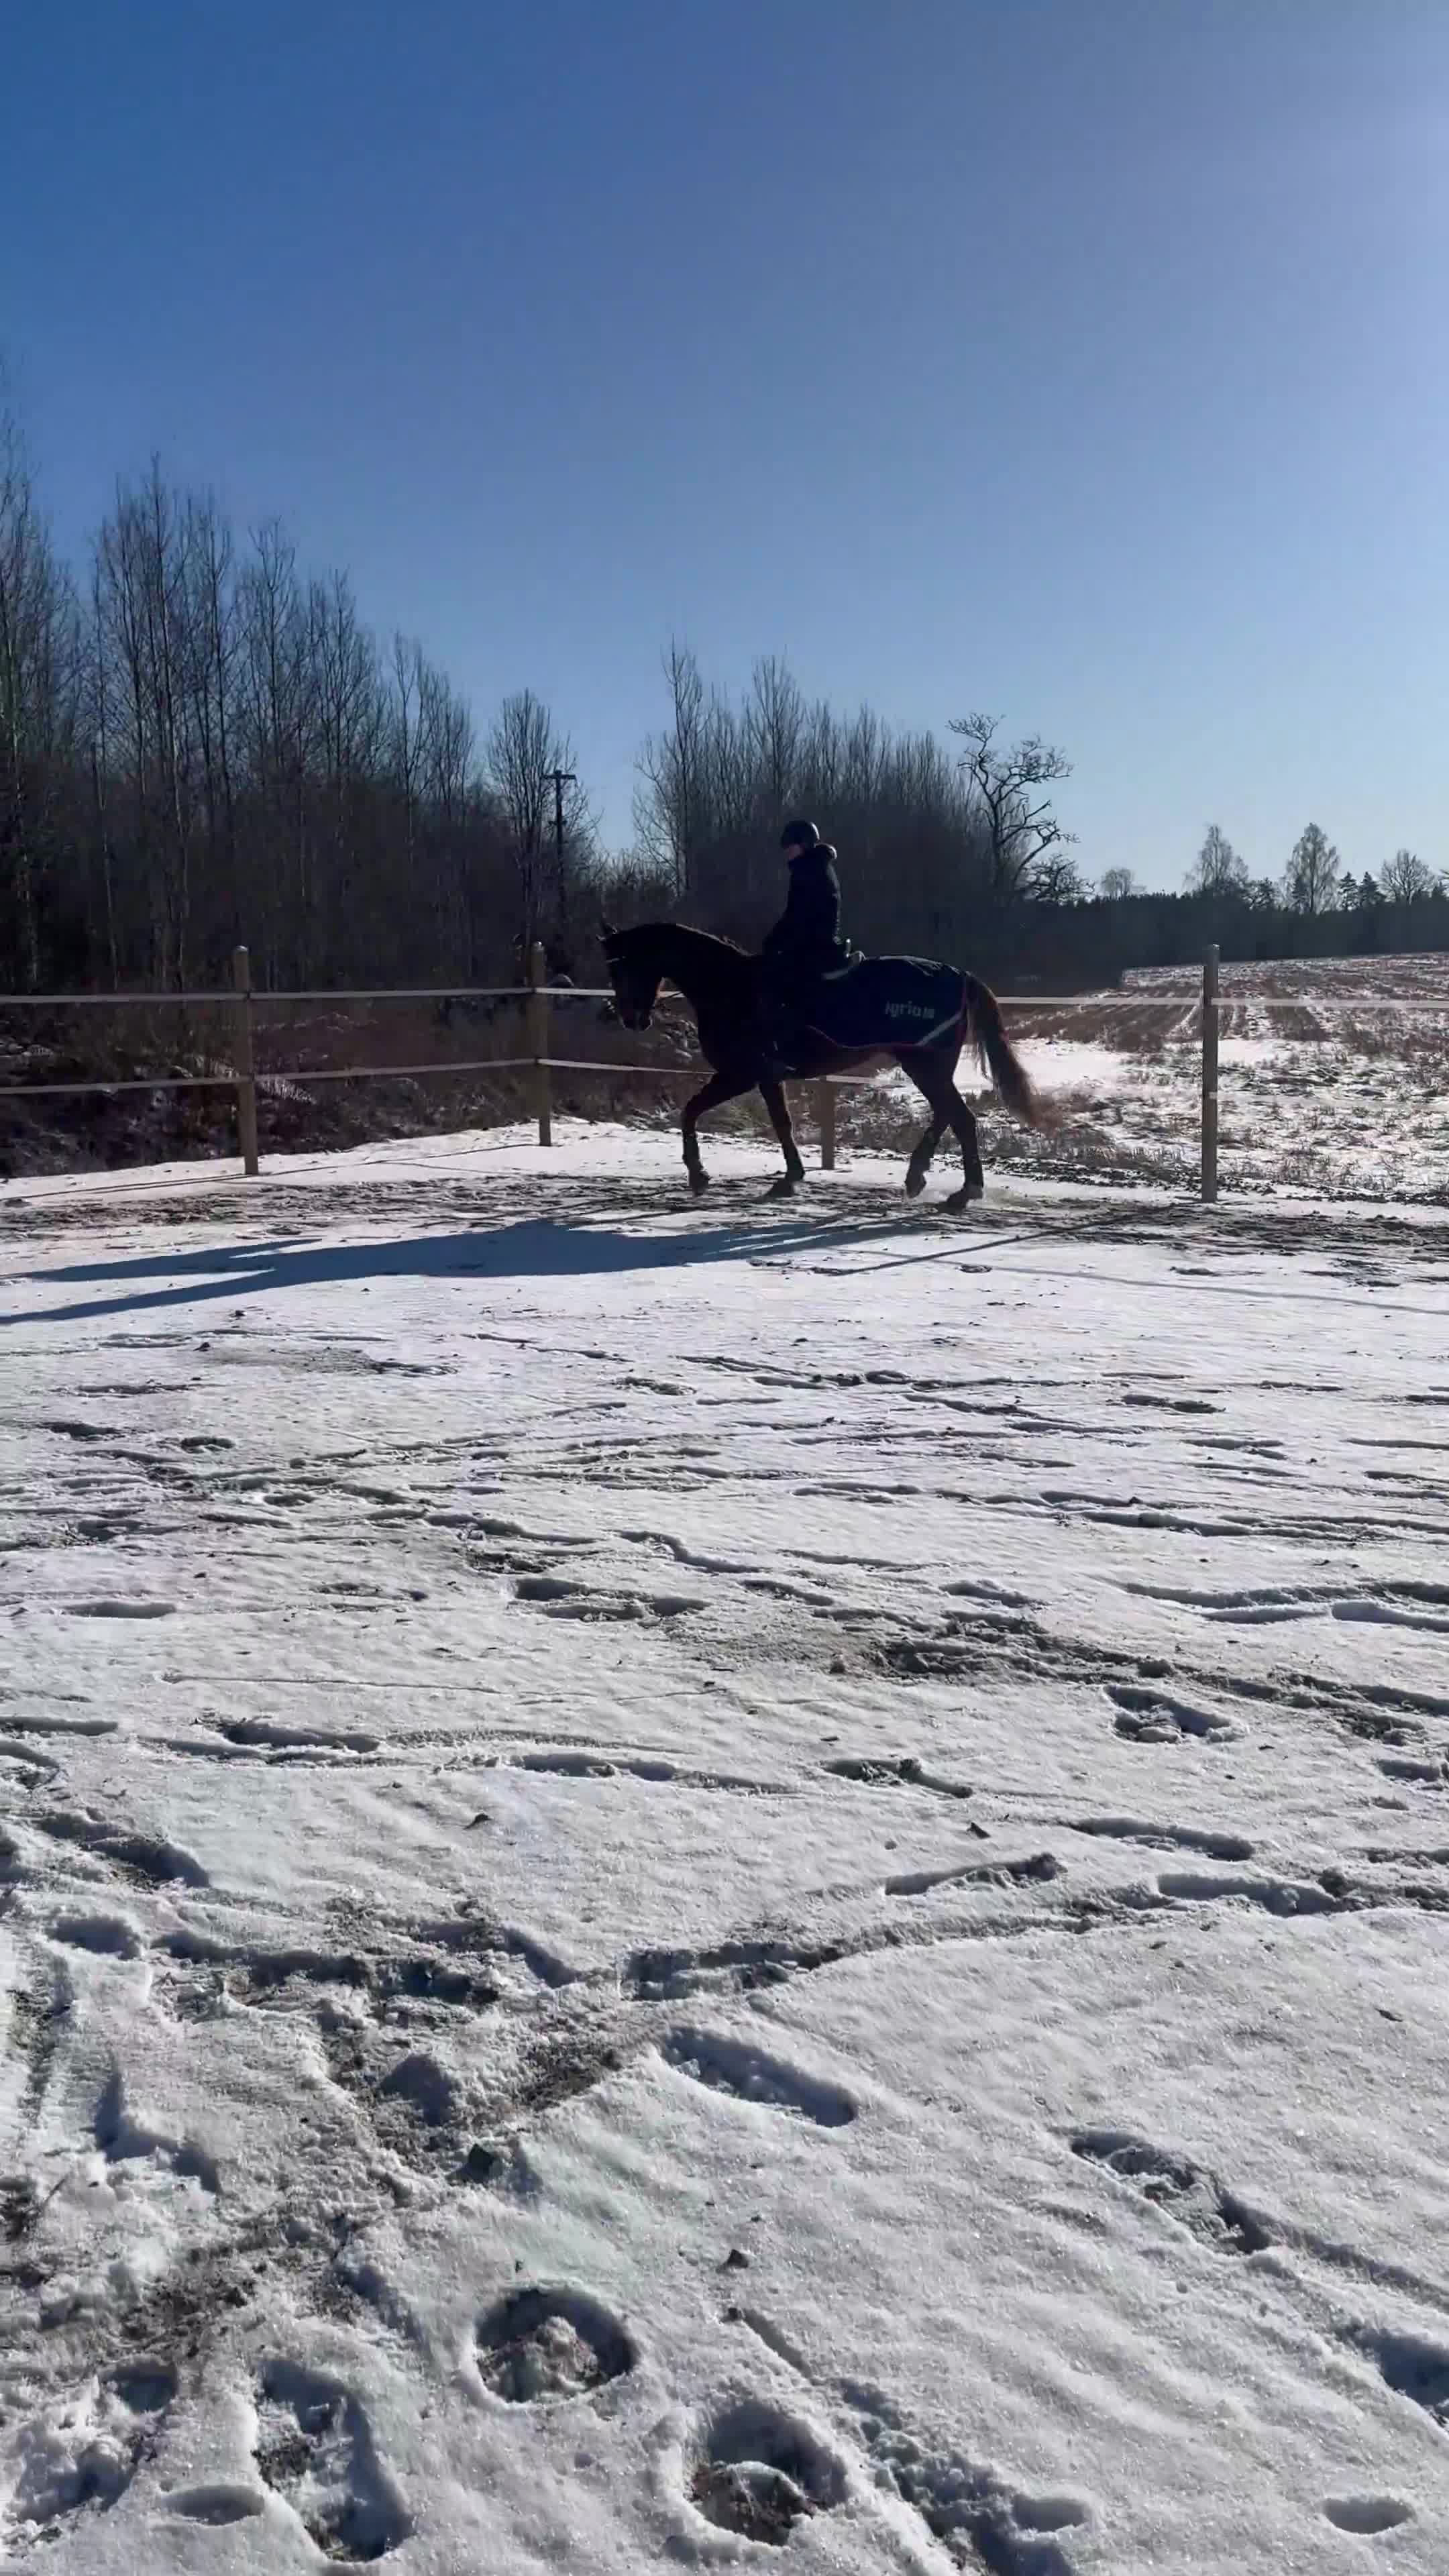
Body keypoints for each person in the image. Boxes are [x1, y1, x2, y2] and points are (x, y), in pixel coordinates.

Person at [759, 819, 853, 1075]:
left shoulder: (810, 870)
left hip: (816, 944)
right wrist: (775, 939)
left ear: (805, 845)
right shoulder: (810, 867)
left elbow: (799, 916)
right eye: (786, 848)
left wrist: (776, 942)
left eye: (791, 847)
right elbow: (794, 914)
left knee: (781, 986)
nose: (787, 853)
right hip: (813, 941)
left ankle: (790, 1052)